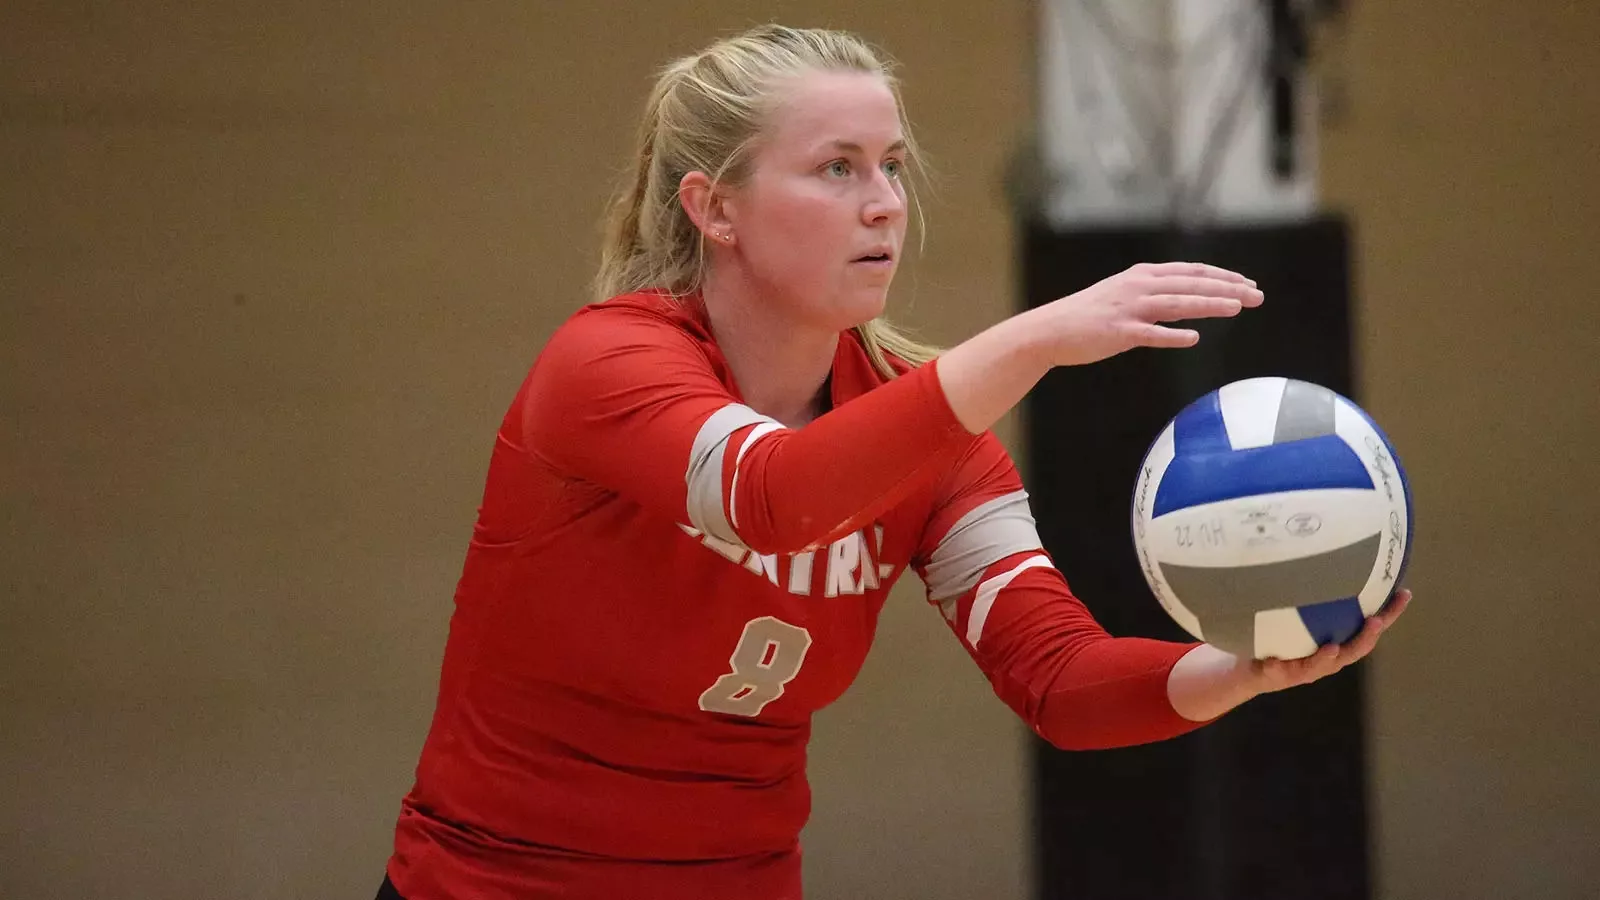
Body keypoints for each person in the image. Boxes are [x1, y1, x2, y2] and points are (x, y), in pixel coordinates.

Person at [376, 23, 1409, 900]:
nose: (883, 204)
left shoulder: (934, 450)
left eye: (892, 168)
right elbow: (771, 496)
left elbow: (1059, 681)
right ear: (713, 207)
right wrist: (1034, 338)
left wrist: (1236, 672)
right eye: (837, 168)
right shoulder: (606, 363)